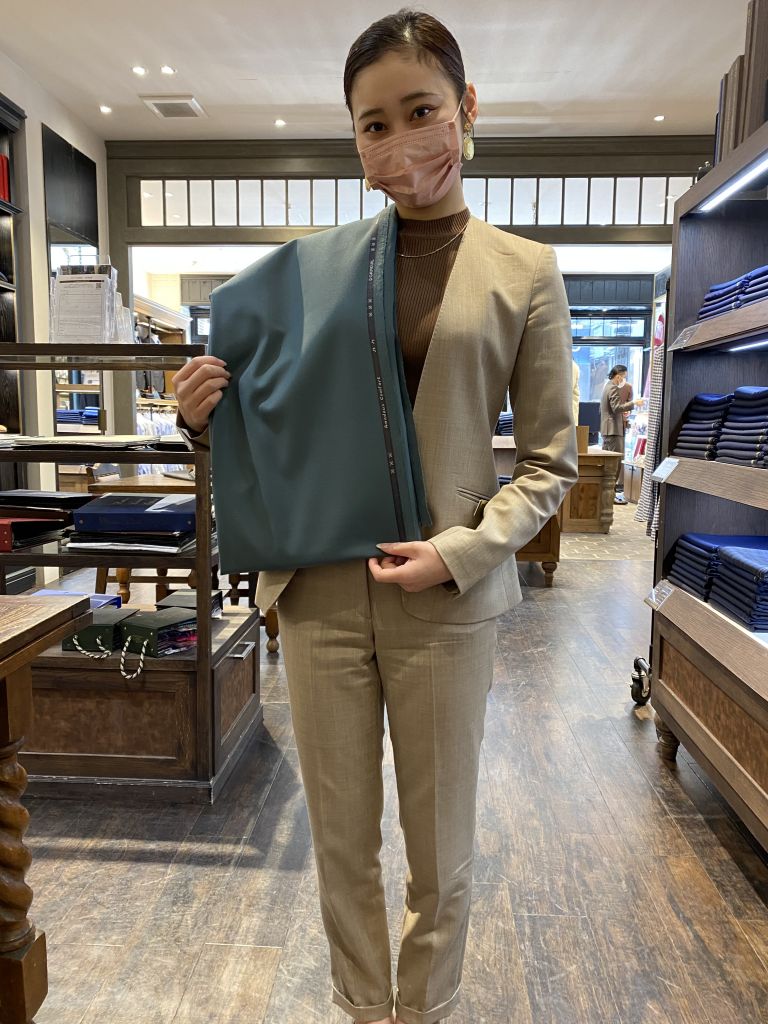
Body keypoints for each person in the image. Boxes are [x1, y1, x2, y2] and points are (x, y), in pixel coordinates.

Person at [172, 11, 578, 1024]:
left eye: (420, 110)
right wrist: (204, 420)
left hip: (446, 596)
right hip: (318, 593)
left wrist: (461, 551)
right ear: (353, 138)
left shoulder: (523, 270)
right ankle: (362, 1007)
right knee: (341, 843)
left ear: (466, 108)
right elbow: (279, 428)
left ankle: (425, 1010)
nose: (400, 140)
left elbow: (548, 465)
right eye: (373, 124)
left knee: (441, 849)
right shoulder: (313, 275)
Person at [600, 364, 643, 505]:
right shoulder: (612, 387)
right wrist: (634, 403)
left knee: (609, 464)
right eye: (624, 377)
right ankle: (610, 495)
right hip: (613, 430)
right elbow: (617, 407)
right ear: (618, 376)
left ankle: (607, 494)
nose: (624, 380)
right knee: (615, 463)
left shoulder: (607, 386)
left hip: (609, 429)